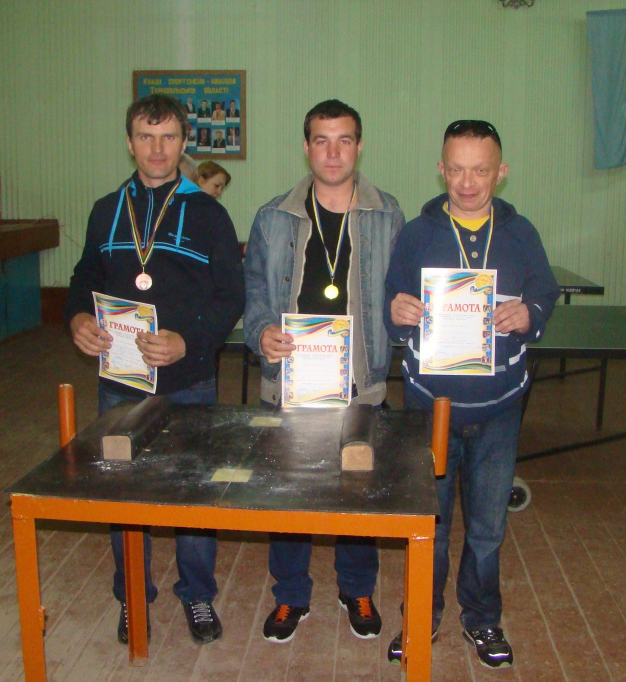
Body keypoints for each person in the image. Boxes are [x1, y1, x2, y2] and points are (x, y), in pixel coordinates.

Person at [64, 94, 245, 646]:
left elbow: (231, 297)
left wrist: (187, 341)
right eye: (146, 137)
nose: (157, 149)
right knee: (124, 495)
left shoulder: (209, 213)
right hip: (120, 382)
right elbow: (84, 277)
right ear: (130, 142)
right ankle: (132, 597)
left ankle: (197, 594)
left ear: (184, 142)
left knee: (193, 493)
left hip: (189, 379)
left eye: (168, 137)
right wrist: (77, 317)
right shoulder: (105, 210)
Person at [383, 120, 559, 668]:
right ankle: (422, 615)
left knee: (487, 528)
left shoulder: (521, 233)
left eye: (479, 170)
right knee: (428, 526)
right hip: (429, 409)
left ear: (500, 173)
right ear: (441, 169)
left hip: (499, 408)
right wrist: (396, 312)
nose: (466, 182)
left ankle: (482, 618)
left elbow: (545, 292)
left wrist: (530, 314)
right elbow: (391, 300)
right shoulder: (416, 233)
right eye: (456, 169)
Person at [243, 99, 405, 644]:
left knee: (357, 493)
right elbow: (255, 293)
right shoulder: (272, 217)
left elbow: (401, 294)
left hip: (360, 383)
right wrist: (261, 332)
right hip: (291, 382)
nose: (333, 153)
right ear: (306, 147)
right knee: (289, 495)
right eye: (321, 140)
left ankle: (357, 587)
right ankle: (290, 594)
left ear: (359, 146)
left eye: (344, 140)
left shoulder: (388, 214)